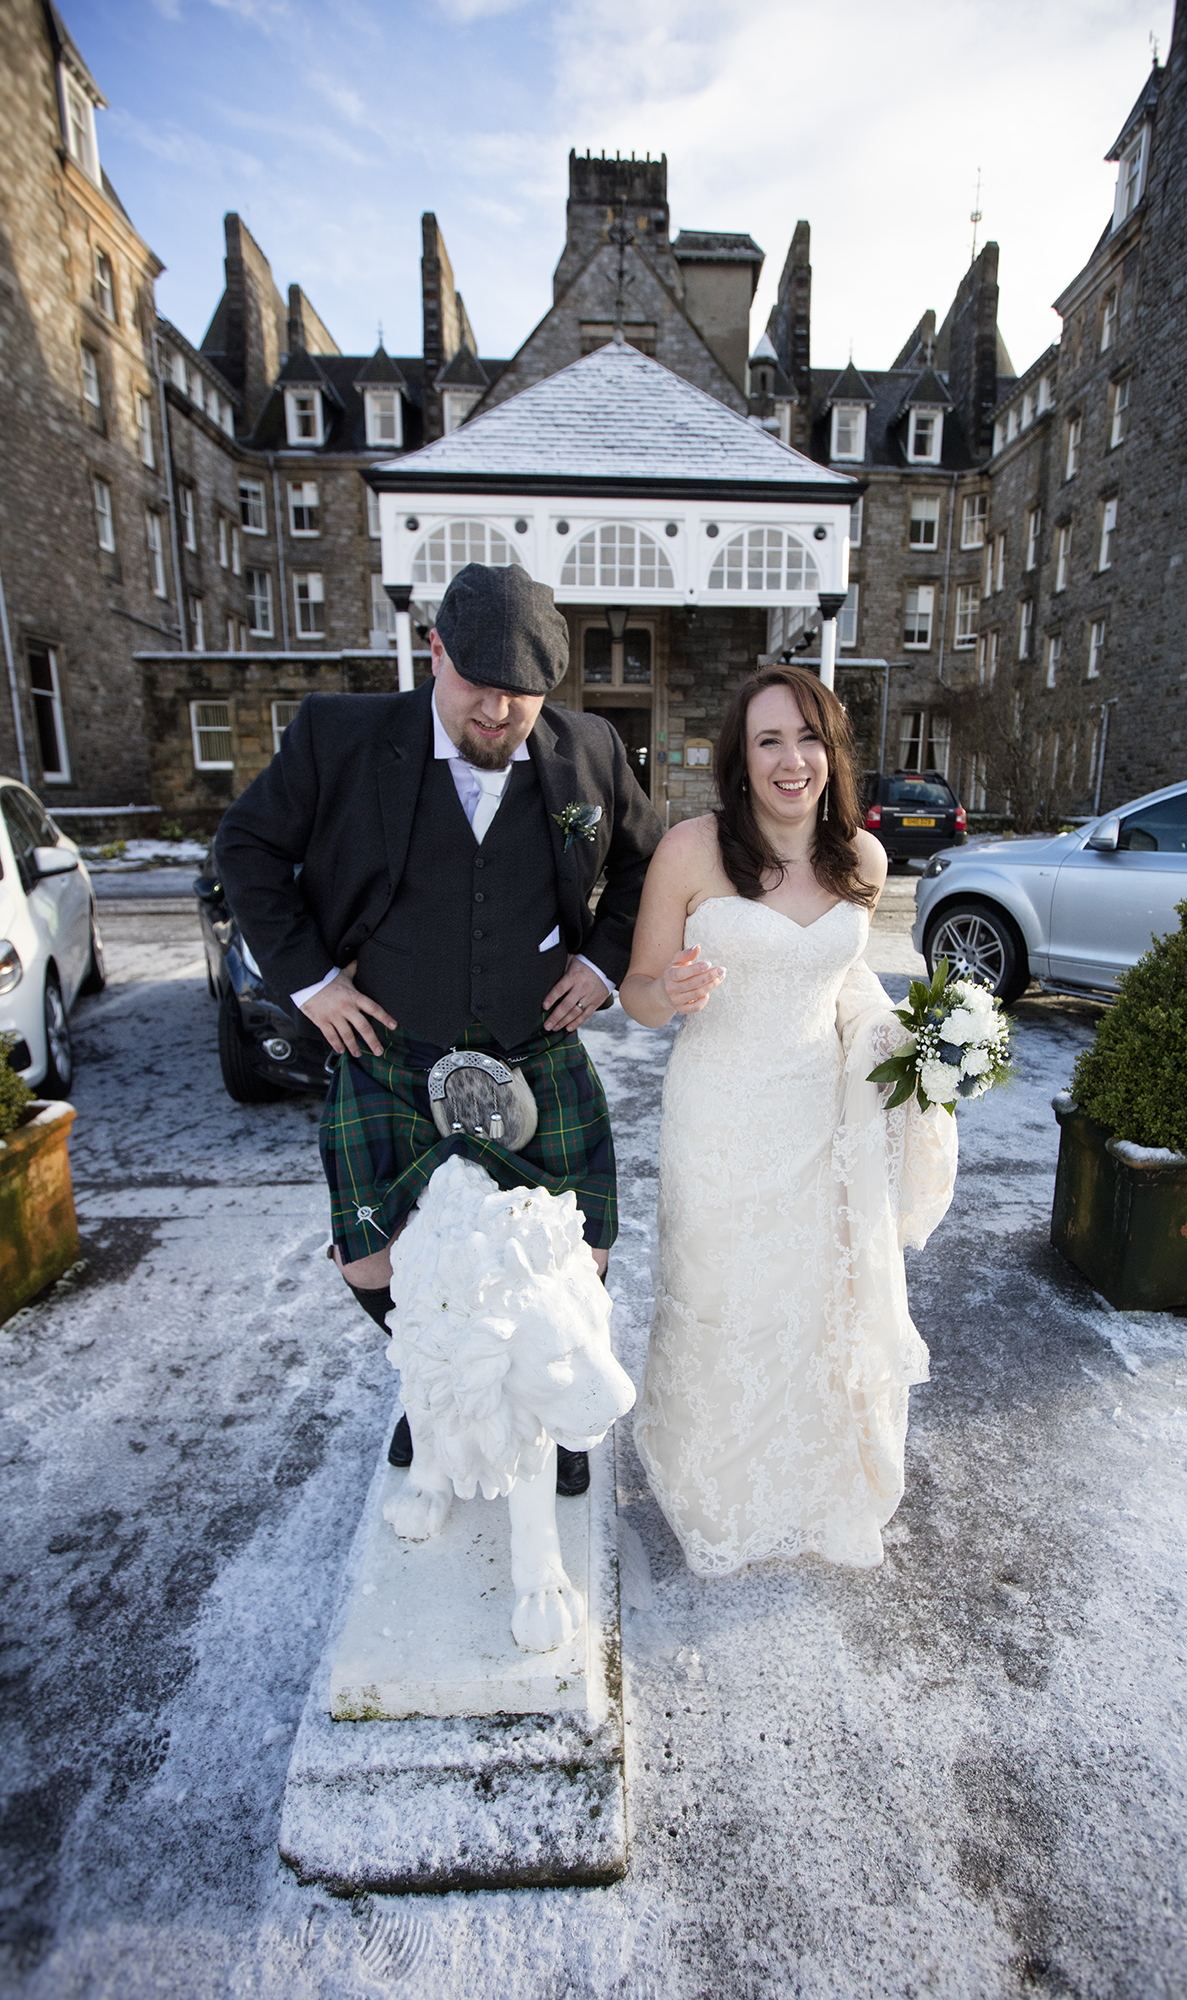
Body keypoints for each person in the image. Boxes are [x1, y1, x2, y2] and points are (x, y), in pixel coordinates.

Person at [214, 564, 661, 1492]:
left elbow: (641, 868)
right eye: (477, 685)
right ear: (434, 653)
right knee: (371, 1255)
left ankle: (545, 1409)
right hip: (387, 1046)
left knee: (580, 1246)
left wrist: (600, 963)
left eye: (521, 694)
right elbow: (245, 847)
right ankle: (437, 1385)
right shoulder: (339, 736)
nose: (497, 712)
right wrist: (310, 982)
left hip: (534, 1043)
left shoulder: (588, 750)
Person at [620, 666, 957, 1574]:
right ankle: (714, 1487)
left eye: (808, 738)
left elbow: (845, 979)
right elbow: (636, 993)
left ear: (832, 753)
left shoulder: (863, 859)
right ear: (741, 757)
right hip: (719, 1118)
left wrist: (905, 1040)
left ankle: (804, 1485)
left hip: (820, 1119)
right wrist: (667, 991)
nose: (790, 759)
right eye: (768, 740)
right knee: (724, 1301)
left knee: (812, 1305)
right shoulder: (691, 851)